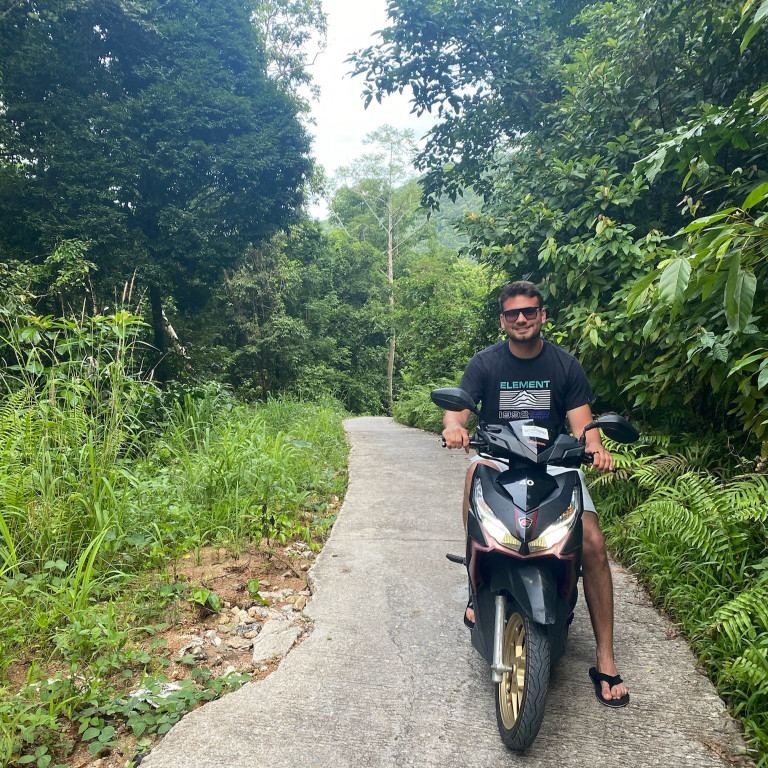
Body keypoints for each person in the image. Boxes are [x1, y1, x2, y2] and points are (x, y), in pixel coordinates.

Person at [442, 280, 629, 707]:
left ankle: (605, 657)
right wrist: (455, 427)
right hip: (499, 459)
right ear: (502, 321)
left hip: (555, 463)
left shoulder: (565, 365)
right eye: (512, 314)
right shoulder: (485, 364)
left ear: (543, 315)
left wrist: (595, 448)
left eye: (530, 311)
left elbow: (584, 425)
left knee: (595, 543)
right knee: (473, 477)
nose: (521, 319)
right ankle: (476, 587)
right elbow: (459, 410)